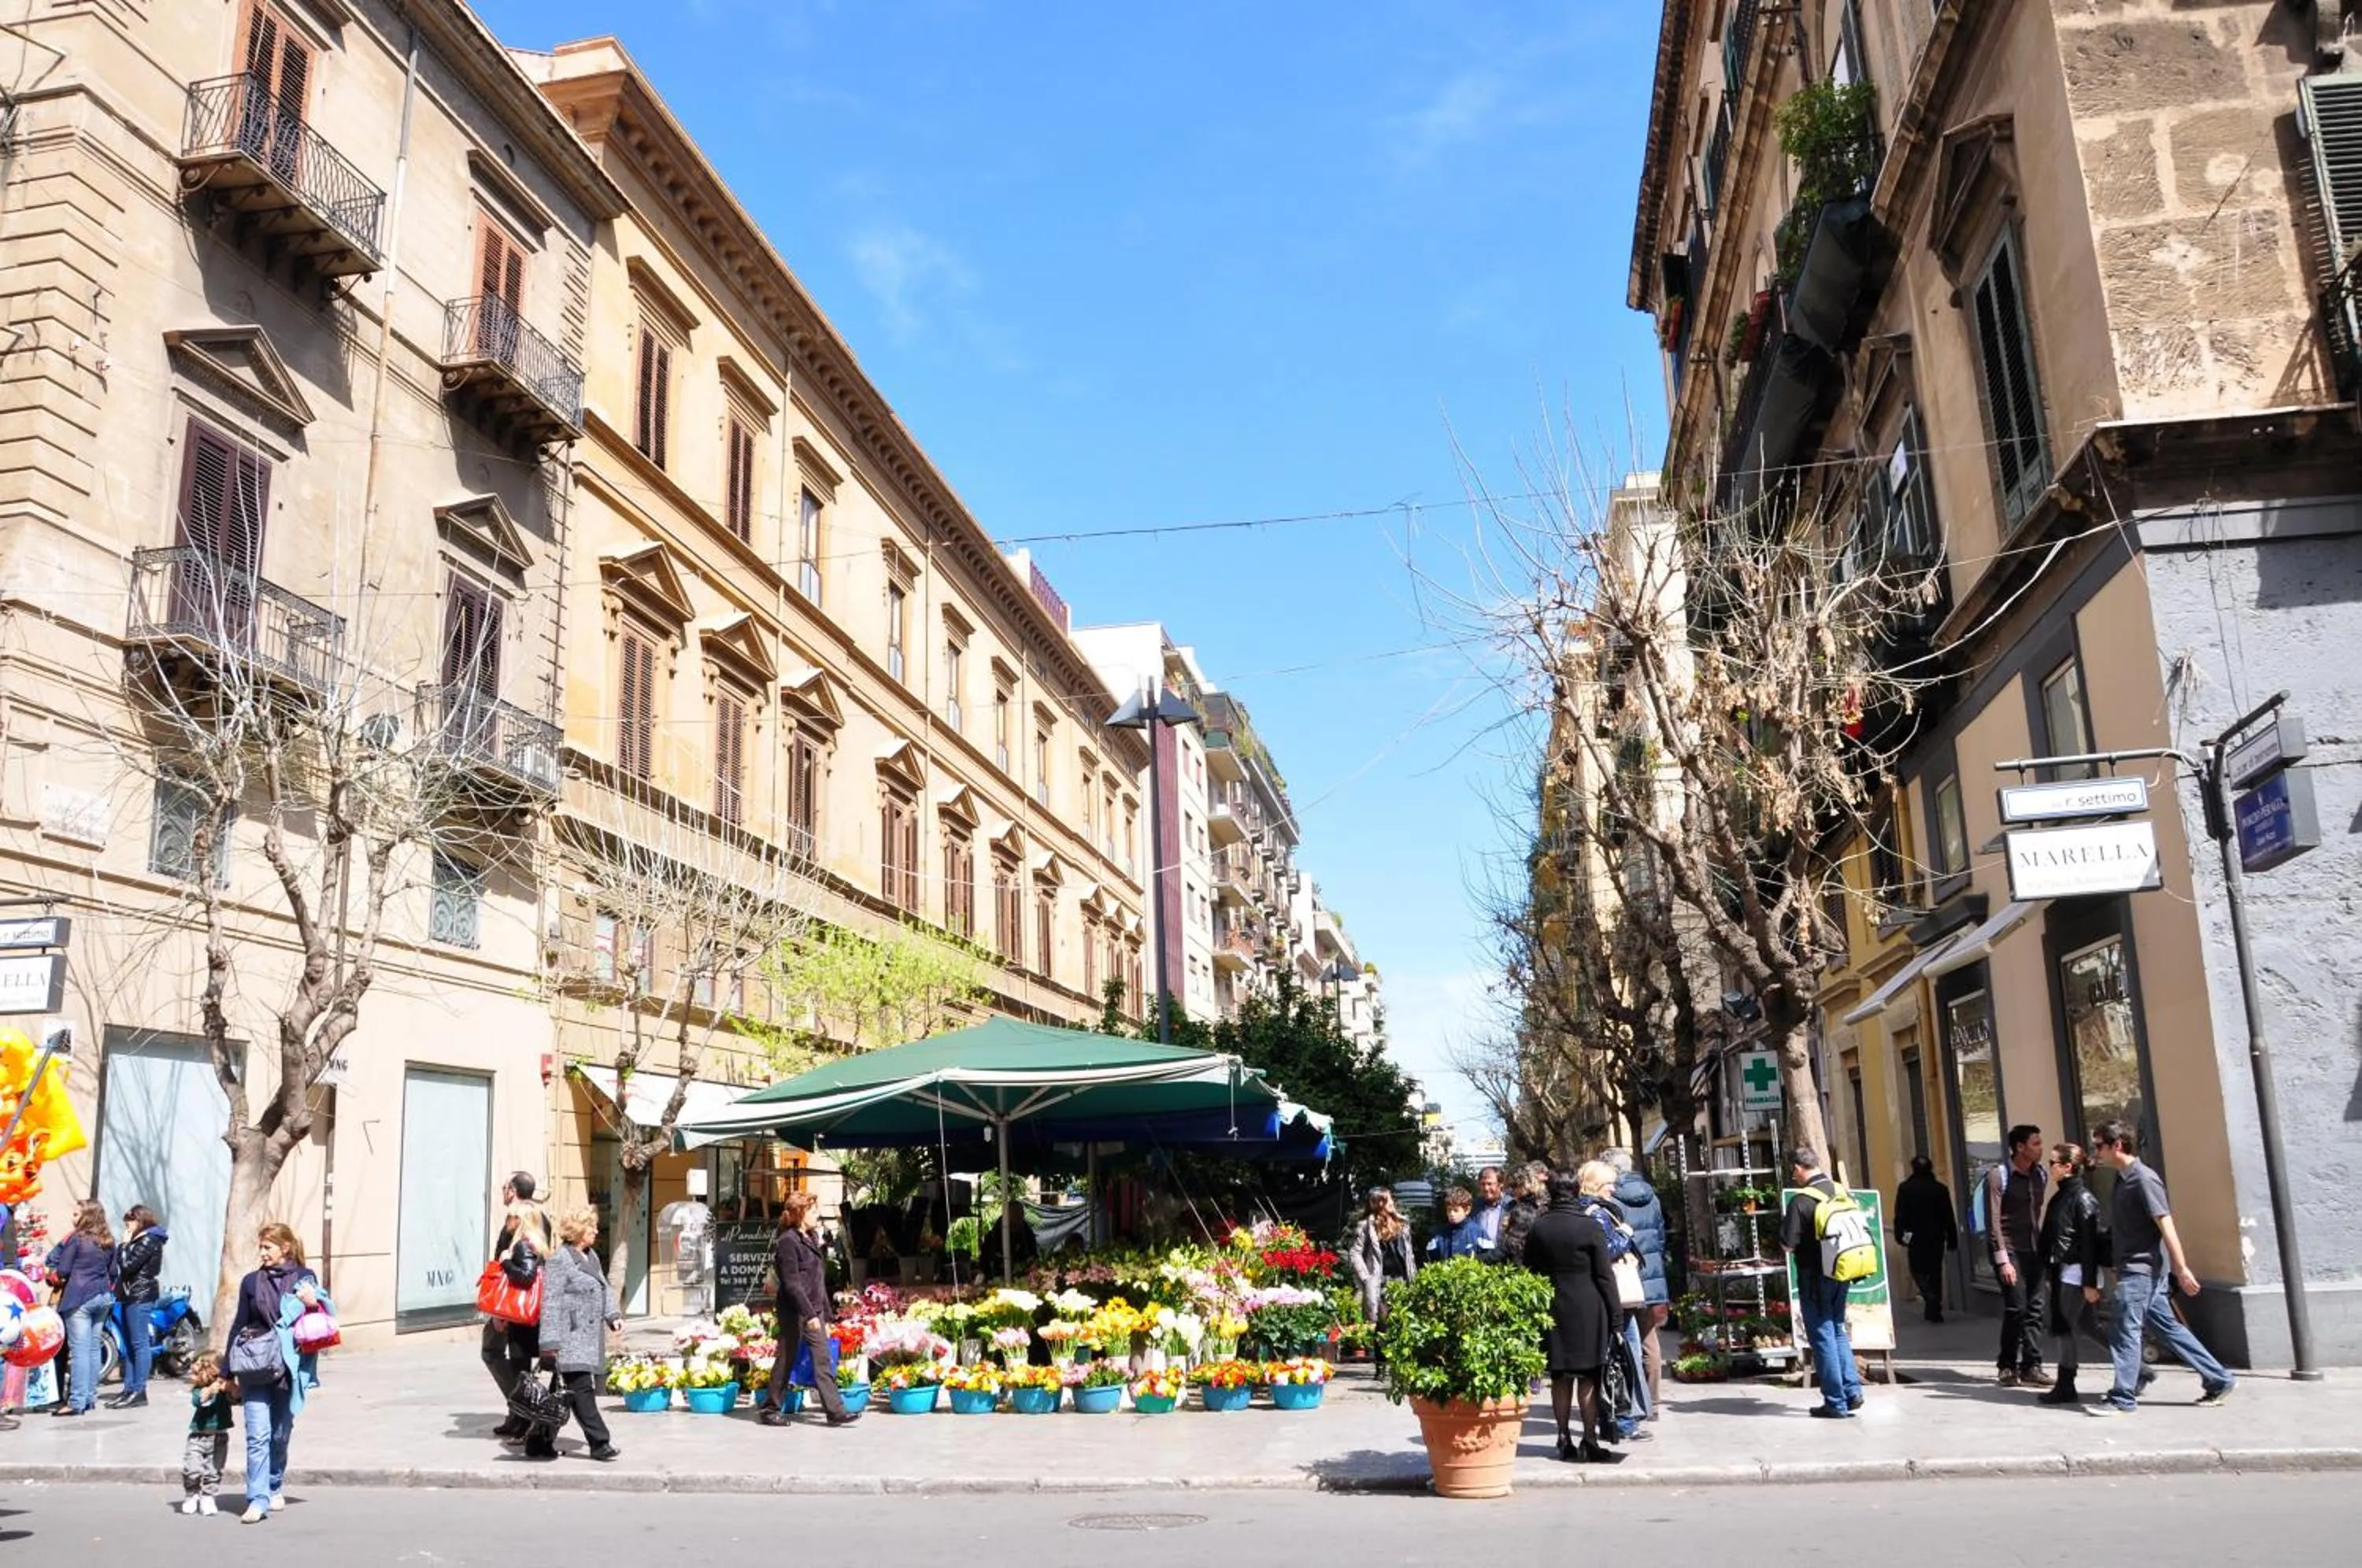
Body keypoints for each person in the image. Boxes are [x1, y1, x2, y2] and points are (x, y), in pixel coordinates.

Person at [2091, 1122, 2234, 1415]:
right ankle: (2219, 1378)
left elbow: (2166, 1224)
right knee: (2167, 1329)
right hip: (2133, 1268)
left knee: (2124, 1330)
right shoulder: (2122, 1179)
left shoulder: (2144, 1179)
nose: (2096, 1152)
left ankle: (2123, 1397)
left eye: (2099, 1146)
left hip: (2141, 1270)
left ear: (2117, 1145)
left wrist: (2181, 1268)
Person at [226, 1222, 330, 1525]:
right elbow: (239, 1323)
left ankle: (274, 1483)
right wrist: (226, 1372)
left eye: (267, 1247)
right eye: (260, 1247)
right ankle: (257, 1499)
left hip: (288, 1366)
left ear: (285, 1248)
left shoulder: (304, 1278)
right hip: (255, 1365)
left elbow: (315, 1321)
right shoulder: (251, 1282)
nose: (262, 1253)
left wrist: (313, 1304)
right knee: (257, 1435)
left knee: (280, 1433)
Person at [1523, 1173, 1623, 1464]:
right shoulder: (1589, 1226)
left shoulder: (1539, 1227)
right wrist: (1616, 1317)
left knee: (1560, 1376)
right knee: (1589, 1376)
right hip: (1588, 1307)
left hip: (1553, 1307)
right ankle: (1589, 1439)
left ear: (1551, 1192)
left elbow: (1529, 1269)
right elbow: (1604, 1276)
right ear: (1577, 1191)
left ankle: (1563, 1437)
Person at [761, 1191, 858, 1428]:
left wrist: (825, 1314)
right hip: (794, 1310)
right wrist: (809, 1314)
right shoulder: (788, 1241)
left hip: (814, 1310)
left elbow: (817, 1280)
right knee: (787, 1358)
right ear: (800, 1213)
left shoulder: (812, 1238)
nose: (817, 1215)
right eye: (813, 1211)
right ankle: (770, 1409)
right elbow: (792, 1284)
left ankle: (835, 1411)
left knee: (823, 1360)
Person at [533, 1207, 623, 1461]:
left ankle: (538, 1441)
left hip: (587, 1338)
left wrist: (613, 1315)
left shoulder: (590, 1256)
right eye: (591, 1226)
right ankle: (600, 1443)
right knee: (581, 1390)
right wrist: (549, 1343)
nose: (596, 1231)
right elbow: (550, 1303)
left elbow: (604, 1288)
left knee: (561, 1396)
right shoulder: (560, 1259)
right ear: (578, 1230)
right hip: (569, 1338)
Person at [1783, 1147, 1864, 1419]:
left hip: (1814, 1276)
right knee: (1838, 1329)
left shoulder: (1801, 1201)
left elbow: (1788, 1244)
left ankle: (1835, 1401)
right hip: (1843, 1270)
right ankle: (1852, 1392)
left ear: (1798, 1168)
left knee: (1822, 1335)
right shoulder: (1841, 1191)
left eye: (1793, 1171)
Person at [1576, 1159, 1653, 1440]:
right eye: (1609, 1184)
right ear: (1596, 1184)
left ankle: (1617, 1419)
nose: (1613, 1189)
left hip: (1606, 1294)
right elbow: (1606, 1251)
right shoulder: (1597, 1213)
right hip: (1614, 1295)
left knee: (1619, 1356)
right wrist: (1624, 1234)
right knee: (1624, 1357)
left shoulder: (1589, 1209)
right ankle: (1623, 1422)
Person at [2034, 1141, 2105, 1407]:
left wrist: (2089, 1282)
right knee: (2088, 1326)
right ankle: (2140, 1367)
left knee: (2063, 1326)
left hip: (2077, 1273)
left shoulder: (2082, 1198)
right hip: (2064, 1271)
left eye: (2053, 1163)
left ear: (2067, 1167)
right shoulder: (2061, 1196)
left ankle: (2066, 1385)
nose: (2050, 1167)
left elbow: (2090, 1245)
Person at [486, 1172, 553, 1444]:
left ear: (512, 1190)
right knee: (516, 1362)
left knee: (500, 1355)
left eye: (505, 1187)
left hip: (515, 1306)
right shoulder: (541, 1219)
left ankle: (523, 1413)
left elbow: (520, 1271)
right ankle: (520, 1414)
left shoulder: (520, 1225)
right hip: (524, 1306)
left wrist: (498, 1310)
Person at [1982, 1124, 2051, 1387]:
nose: (2040, 1148)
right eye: (2036, 1143)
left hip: (2034, 1250)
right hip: (2009, 1250)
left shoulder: (2040, 1174)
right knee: (2016, 1308)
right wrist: (2003, 1261)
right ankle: (2007, 1365)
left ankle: (2032, 1366)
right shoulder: (1998, 1176)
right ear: (2020, 1147)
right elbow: (1993, 1222)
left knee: (2036, 1309)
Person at [1601, 1148, 1669, 1416]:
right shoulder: (1652, 1196)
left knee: (1626, 1339)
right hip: (1651, 1274)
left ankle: (1631, 1400)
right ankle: (1653, 1401)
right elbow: (1661, 1236)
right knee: (1649, 1339)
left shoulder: (1612, 1200)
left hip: (1624, 1276)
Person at [43, 1200, 116, 1417]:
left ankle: (76, 1402)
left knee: (80, 1351)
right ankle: (89, 1398)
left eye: (76, 1214)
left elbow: (63, 1270)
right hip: (103, 1296)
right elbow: (114, 1272)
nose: (72, 1218)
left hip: (80, 1297)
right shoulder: (108, 1240)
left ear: (87, 1216)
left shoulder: (78, 1238)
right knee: (93, 1348)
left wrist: (52, 1275)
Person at [109, 1204, 168, 1410]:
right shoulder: (140, 1240)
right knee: (129, 1343)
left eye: (130, 1221)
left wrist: (124, 1246)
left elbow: (128, 1266)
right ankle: (129, 1388)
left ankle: (139, 1390)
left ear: (141, 1221)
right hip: (129, 1295)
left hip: (140, 1295)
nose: (127, 1226)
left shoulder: (148, 1240)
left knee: (139, 1343)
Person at [1349, 1187, 1418, 1353]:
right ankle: (1382, 1363)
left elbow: (1409, 1255)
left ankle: (1399, 1362)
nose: (1392, 1202)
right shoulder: (1367, 1226)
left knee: (1403, 1323)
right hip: (1382, 1283)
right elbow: (1355, 1253)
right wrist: (1366, 1278)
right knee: (1383, 1325)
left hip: (1402, 1281)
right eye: (1388, 1200)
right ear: (1379, 1203)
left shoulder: (1402, 1223)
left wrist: (1414, 1277)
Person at [1892, 1156, 1959, 1323]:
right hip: (1936, 1236)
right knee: (1935, 1271)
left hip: (1914, 1236)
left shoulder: (1906, 1188)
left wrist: (1900, 1236)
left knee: (1917, 1269)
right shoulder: (1940, 1189)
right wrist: (1952, 1238)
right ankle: (1935, 1309)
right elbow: (1948, 1215)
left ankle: (1928, 1295)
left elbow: (1900, 1215)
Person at [179, 1349, 235, 1516]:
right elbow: (199, 1400)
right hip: (197, 1437)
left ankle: (208, 1497)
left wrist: (231, 1388)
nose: (193, 1376)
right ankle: (191, 1494)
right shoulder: (199, 1390)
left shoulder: (224, 1390)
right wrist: (210, 1390)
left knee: (214, 1470)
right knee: (192, 1469)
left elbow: (238, 1397)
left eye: (196, 1373)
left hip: (219, 1438)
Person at [1498, 1161, 1549, 1267]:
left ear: (1526, 1183)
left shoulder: (1526, 1209)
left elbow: (1512, 1246)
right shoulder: (1547, 1202)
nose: (1511, 1191)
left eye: (1514, 1186)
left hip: (1526, 1266)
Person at [1425, 1188, 1483, 1261]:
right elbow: (1430, 1258)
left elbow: (1488, 1258)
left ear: (1467, 1210)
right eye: (1449, 1210)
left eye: (1456, 1210)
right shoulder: (1439, 1235)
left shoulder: (1478, 1233)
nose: (1452, 1214)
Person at [1469, 1167, 1510, 1261]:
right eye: (1483, 1184)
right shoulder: (1475, 1206)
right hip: (1479, 1259)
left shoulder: (1511, 1206)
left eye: (1490, 1184)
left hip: (1504, 1260)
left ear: (1501, 1184)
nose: (1486, 1188)